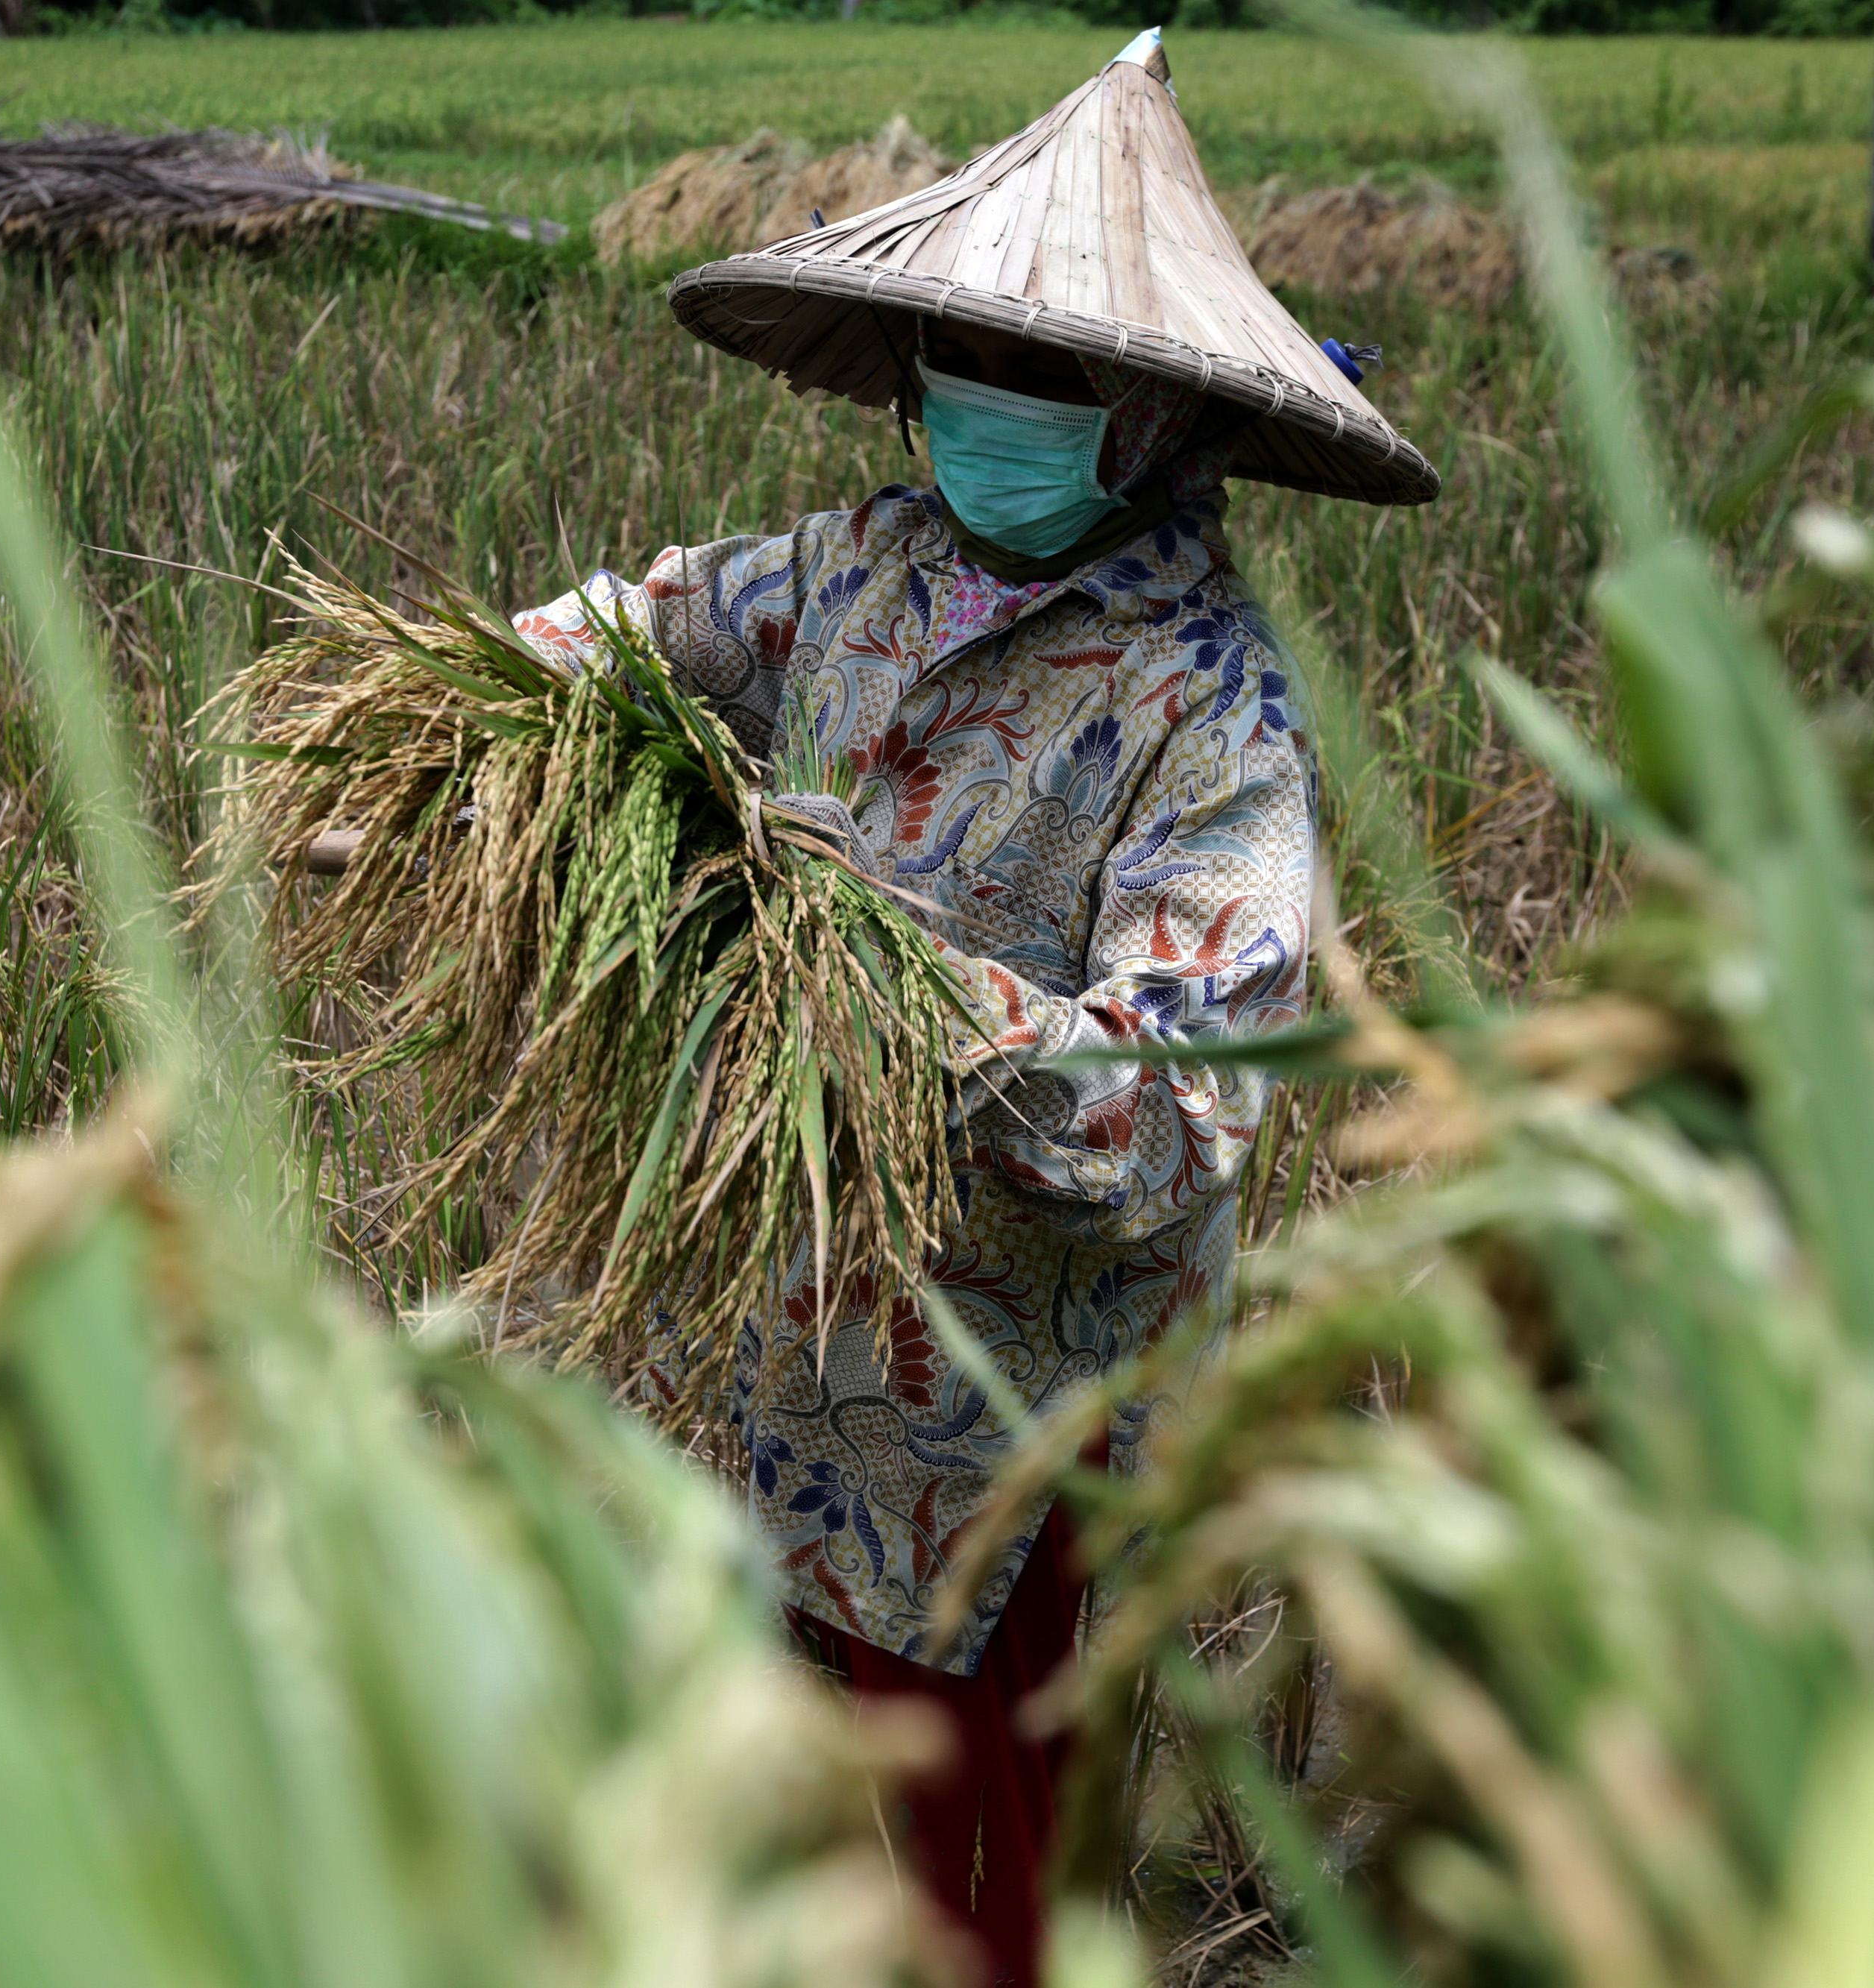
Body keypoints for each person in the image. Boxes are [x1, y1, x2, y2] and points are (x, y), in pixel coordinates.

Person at [510, 31, 1436, 1986]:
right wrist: (498, 717)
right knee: (789, 1816)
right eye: (968, 361)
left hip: (1024, 1424)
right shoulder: (859, 568)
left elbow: (1176, 1111)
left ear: (1157, 418)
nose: (987, 406)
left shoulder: (1216, 709)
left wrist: (873, 965)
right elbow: (658, 619)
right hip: (807, 1336)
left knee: (980, 1882)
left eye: (1045, 376)